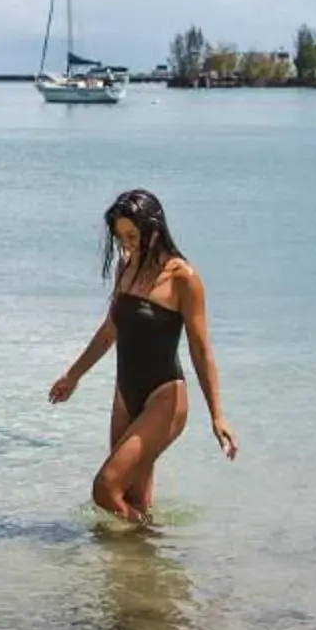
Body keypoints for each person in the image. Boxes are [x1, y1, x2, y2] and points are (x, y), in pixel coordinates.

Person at [48, 188, 235, 527]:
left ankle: (152, 544)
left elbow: (201, 348)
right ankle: (145, 571)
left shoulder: (183, 279)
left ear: (154, 227)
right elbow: (110, 330)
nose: (127, 244)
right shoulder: (126, 266)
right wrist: (73, 375)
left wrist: (217, 415)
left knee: (105, 489)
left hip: (164, 398)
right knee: (133, 500)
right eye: (120, 237)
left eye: (132, 236)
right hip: (125, 395)